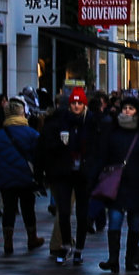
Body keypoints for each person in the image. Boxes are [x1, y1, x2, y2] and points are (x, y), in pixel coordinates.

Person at [85, 97, 139, 274]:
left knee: (135, 222)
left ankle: (131, 259)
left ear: (138, 112)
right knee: (115, 220)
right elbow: (102, 156)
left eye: (131, 108)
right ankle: (113, 259)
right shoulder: (112, 132)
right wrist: (93, 178)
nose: (126, 111)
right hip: (116, 184)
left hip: (138, 183)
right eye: (124, 107)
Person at [39, 89, 94, 263]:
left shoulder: (90, 121)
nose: (76, 106)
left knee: (82, 213)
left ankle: (79, 249)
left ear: (84, 105)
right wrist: (62, 145)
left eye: (79, 103)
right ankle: (65, 245)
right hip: (65, 172)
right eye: (73, 103)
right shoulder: (61, 122)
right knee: (63, 211)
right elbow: (49, 146)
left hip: (83, 174)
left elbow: (96, 147)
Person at [0, 101, 41, 256]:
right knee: (28, 208)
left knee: (9, 210)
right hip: (26, 177)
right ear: (21, 114)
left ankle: (8, 242)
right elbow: (37, 156)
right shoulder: (31, 134)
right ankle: (32, 237)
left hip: (6, 178)